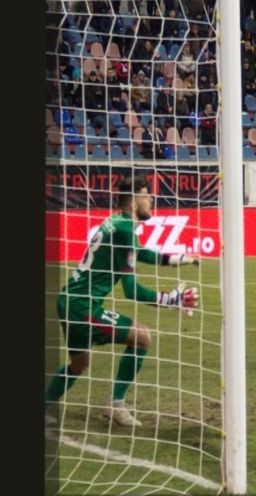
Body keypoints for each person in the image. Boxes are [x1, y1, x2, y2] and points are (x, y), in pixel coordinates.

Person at [44, 177, 200, 427]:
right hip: (83, 307)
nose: (151, 200)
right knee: (142, 336)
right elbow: (131, 290)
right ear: (133, 202)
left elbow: (141, 252)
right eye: (146, 195)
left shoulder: (117, 222)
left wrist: (177, 258)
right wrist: (171, 299)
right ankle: (115, 404)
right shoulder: (125, 229)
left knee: (80, 363)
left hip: (69, 301)